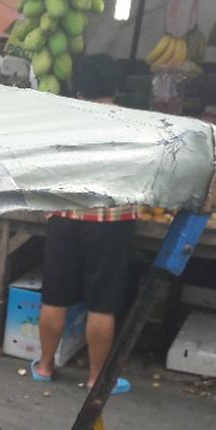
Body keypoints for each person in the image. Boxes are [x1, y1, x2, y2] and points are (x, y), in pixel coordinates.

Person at [32, 54, 135, 395]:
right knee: (102, 303)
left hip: (64, 218)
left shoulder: (62, 122)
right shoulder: (132, 125)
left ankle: (45, 366)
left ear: (78, 89)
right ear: (117, 89)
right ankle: (96, 379)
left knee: (55, 297)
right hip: (110, 221)